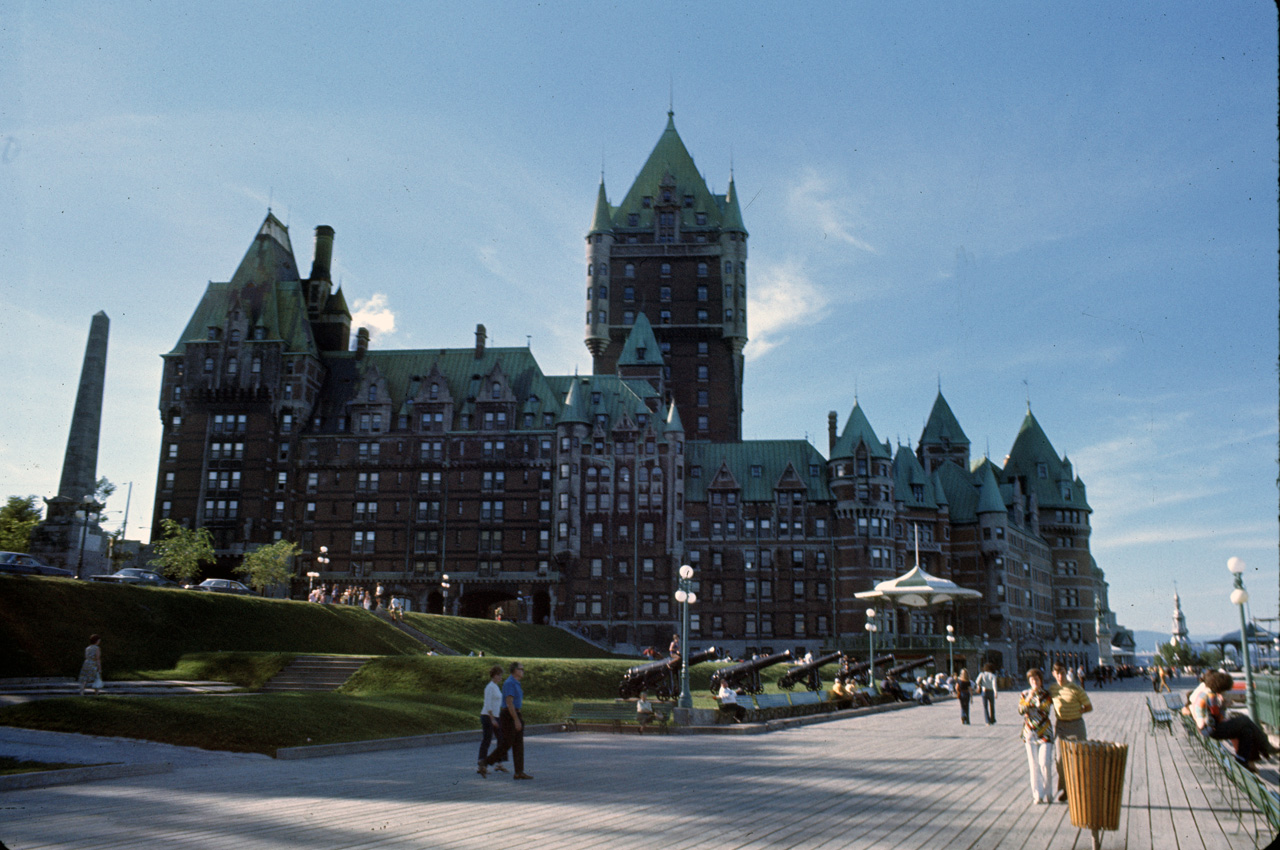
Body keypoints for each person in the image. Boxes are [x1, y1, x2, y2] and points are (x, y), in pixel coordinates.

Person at [1196, 671, 1275, 771]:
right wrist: (1224, 705)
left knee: (1247, 731)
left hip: (1206, 729)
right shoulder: (1212, 696)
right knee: (1244, 720)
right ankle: (1266, 747)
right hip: (1212, 730)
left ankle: (1242, 759)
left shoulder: (1204, 693)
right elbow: (1218, 718)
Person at [480, 662, 531, 779]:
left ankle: (519, 772)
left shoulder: (517, 683)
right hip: (509, 715)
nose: (523, 671)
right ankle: (485, 762)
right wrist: (516, 720)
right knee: (507, 743)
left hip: (515, 713)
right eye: (521, 669)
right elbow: (509, 703)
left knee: (518, 744)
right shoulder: (510, 683)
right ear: (515, 670)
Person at [1049, 662, 1092, 802]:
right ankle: (1066, 790)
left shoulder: (1075, 688)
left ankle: (1080, 790)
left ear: (1065, 672)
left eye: (1062, 672)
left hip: (1076, 726)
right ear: (1053, 674)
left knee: (1079, 759)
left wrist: (1077, 711)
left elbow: (1088, 706)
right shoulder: (1053, 689)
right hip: (1061, 727)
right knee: (1060, 760)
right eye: (1057, 673)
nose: (1060, 676)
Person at [1018, 668, 1055, 804]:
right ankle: (1037, 795)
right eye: (1032, 680)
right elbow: (1021, 710)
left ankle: (1048, 792)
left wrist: (1030, 708)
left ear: (1041, 680)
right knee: (1033, 764)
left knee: (1045, 762)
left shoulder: (1046, 694)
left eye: (1036, 679)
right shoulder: (1024, 693)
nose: (1034, 682)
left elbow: (1044, 710)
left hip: (1045, 732)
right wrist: (1029, 698)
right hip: (1029, 733)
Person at [477, 665, 508, 774]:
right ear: (494, 676)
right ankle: (481, 764)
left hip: (496, 716)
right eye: (499, 675)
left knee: (502, 739)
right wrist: (492, 718)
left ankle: (499, 763)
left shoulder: (496, 687)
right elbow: (487, 703)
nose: (501, 678)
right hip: (487, 716)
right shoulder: (489, 687)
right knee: (487, 739)